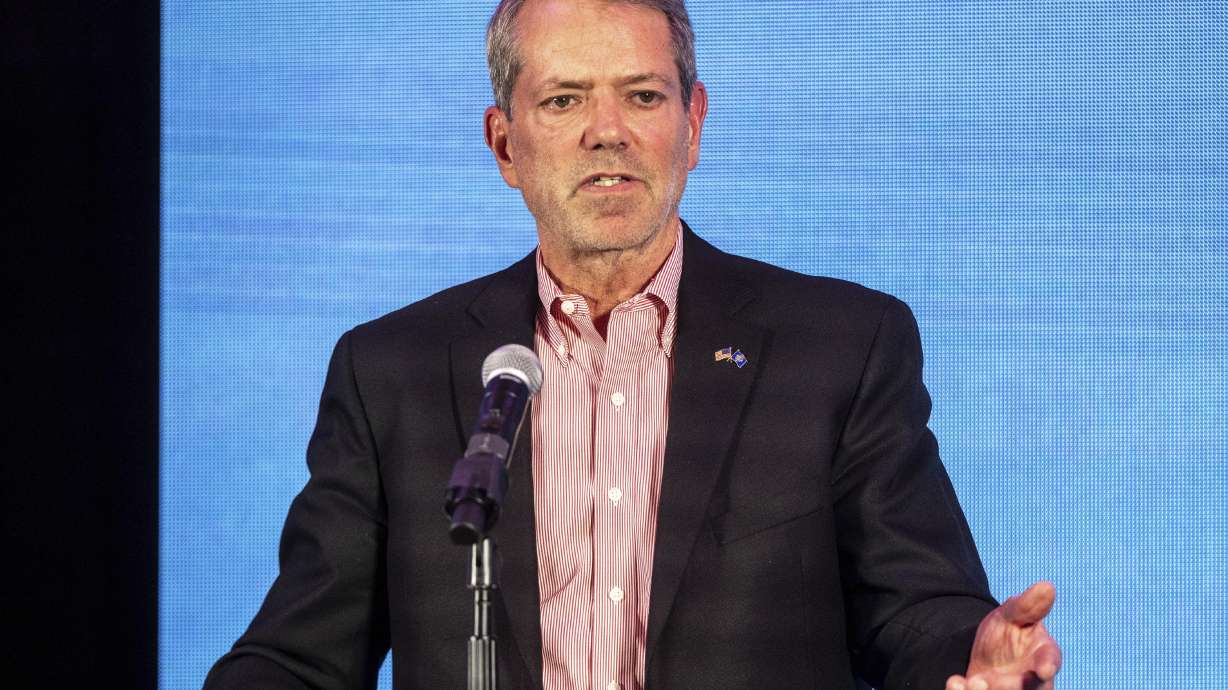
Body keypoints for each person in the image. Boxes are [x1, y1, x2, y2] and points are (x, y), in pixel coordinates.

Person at [204, 1, 1063, 688]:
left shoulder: (840, 348)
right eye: (564, 98)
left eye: (643, 95)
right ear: (505, 143)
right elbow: (301, 656)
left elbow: (912, 610)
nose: (606, 130)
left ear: (693, 123)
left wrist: (972, 654)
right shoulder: (390, 371)